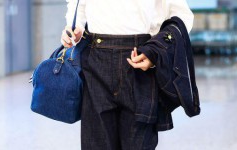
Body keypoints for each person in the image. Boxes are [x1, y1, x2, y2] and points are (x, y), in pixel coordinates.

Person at [61, 0, 194, 149]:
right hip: (95, 60)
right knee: (96, 143)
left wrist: (156, 52)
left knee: (139, 143)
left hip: (141, 62)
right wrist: (75, 28)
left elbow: (182, 15)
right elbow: (77, 4)